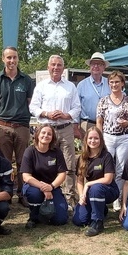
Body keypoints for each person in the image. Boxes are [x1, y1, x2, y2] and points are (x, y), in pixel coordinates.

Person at [29, 54, 81, 207]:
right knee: (44, 161)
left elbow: (77, 107)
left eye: (59, 65)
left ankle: (69, 196)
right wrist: (46, 113)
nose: (56, 68)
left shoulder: (70, 86)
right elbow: (33, 107)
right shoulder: (41, 86)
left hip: (65, 128)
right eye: (53, 65)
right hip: (46, 129)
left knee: (69, 163)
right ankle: (46, 192)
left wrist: (66, 115)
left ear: (63, 68)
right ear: (48, 67)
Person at [0, 46, 34, 201]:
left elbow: (30, 103)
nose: (12, 61)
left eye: (14, 57)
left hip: (22, 126)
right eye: (8, 58)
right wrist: (2, 118)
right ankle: (6, 194)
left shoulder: (26, 80)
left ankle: (23, 194)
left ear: (18, 59)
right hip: (3, 126)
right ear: (3, 59)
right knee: (4, 162)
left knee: (23, 162)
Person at [96, 71, 128, 212]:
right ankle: (105, 194)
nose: (114, 84)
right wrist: (100, 136)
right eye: (111, 82)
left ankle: (118, 197)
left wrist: (127, 123)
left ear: (122, 83)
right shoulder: (103, 101)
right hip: (108, 136)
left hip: (124, 137)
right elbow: (99, 121)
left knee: (121, 168)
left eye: (117, 82)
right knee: (108, 167)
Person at [72, 127, 119, 236]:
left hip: (108, 190)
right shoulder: (82, 158)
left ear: (101, 140)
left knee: (96, 188)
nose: (93, 141)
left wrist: (88, 184)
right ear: (86, 140)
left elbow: (108, 179)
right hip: (91, 192)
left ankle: (98, 222)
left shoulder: (106, 156)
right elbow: (79, 181)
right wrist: (81, 196)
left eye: (96, 138)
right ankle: (101, 209)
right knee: (79, 220)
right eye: (90, 138)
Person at [21, 124, 69, 229]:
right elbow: (26, 176)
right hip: (34, 186)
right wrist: (44, 188)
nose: (46, 135)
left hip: (53, 186)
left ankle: (55, 206)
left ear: (52, 137)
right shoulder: (30, 151)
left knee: (60, 220)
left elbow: (62, 173)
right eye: (43, 133)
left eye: (49, 134)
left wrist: (51, 187)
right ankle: (34, 217)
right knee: (34, 194)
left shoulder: (56, 152)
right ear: (37, 134)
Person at [76, 52, 111, 138]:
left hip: (107, 125)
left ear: (104, 67)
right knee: (87, 150)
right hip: (87, 124)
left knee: (105, 150)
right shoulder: (82, 85)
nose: (96, 66)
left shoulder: (110, 83)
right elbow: (76, 106)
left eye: (99, 64)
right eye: (93, 64)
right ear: (90, 67)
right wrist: (76, 125)